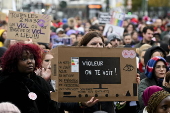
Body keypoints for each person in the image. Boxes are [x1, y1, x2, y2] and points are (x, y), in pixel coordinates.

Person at [0, 42, 99, 113]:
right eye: (24, 59)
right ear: (13, 62)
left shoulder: (40, 81)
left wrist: (81, 104)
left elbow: (58, 103)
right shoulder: (6, 84)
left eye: (32, 58)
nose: (30, 61)